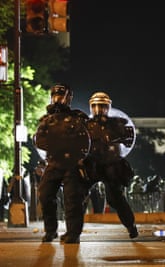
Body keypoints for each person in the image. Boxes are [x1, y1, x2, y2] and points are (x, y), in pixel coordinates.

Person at [34, 83, 91, 243]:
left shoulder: (77, 117)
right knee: (45, 194)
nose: (57, 99)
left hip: (73, 163)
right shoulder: (47, 120)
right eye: (55, 96)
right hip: (54, 162)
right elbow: (39, 140)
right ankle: (51, 231)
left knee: (72, 199)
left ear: (68, 98)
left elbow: (87, 139)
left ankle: (73, 234)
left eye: (61, 96)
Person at [83, 91, 138, 239]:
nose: (99, 110)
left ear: (108, 107)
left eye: (102, 106)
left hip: (111, 164)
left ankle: (131, 225)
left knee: (116, 198)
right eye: (96, 106)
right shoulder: (86, 125)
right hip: (92, 163)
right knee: (78, 194)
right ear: (91, 107)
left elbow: (127, 139)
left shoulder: (117, 123)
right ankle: (74, 230)